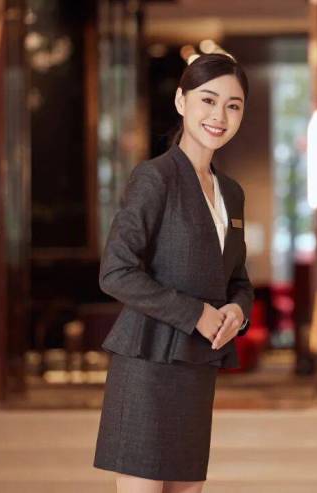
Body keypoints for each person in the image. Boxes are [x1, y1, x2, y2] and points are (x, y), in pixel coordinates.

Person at [93, 52, 254, 493]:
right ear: (182, 102)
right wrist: (196, 313)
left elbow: (238, 280)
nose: (219, 116)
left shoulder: (231, 193)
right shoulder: (155, 178)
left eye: (233, 105)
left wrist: (238, 311)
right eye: (208, 100)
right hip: (147, 365)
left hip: (196, 367)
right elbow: (116, 271)